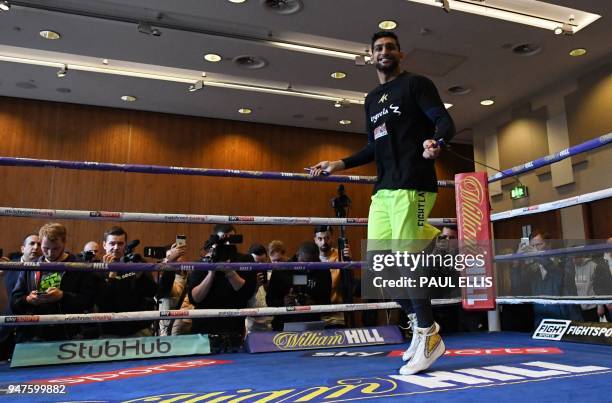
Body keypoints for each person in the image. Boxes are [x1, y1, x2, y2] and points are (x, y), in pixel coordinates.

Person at [309, 31, 455, 375]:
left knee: (406, 260)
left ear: (400, 54)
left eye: (390, 47)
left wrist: (438, 141)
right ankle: (419, 327)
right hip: (384, 190)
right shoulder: (372, 99)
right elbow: (374, 147)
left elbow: (443, 120)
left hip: (415, 185)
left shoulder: (416, 84)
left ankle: (429, 335)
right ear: (370, 56)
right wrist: (338, 163)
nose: (384, 52)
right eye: (378, 48)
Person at [11, 223, 98, 342]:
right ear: (41, 243)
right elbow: (14, 302)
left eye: (55, 248)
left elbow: (89, 301)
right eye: (45, 248)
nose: (50, 253)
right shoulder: (31, 267)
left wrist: (63, 296)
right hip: (35, 335)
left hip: (70, 335)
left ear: (64, 242)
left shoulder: (80, 266)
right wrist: (28, 300)